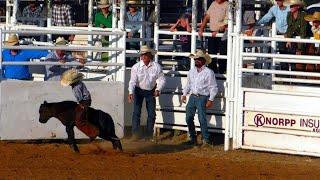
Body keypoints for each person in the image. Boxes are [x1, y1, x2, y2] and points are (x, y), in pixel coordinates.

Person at [181, 50, 218, 148]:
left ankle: (206, 139)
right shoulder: (191, 71)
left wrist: (211, 99)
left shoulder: (209, 73)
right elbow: (188, 84)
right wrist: (184, 94)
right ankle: (193, 138)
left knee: (201, 119)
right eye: (195, 59)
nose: (196, 61)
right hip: (193, 96)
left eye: (198, 59)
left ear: (203, 61)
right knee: (188, 118)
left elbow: (213, 87)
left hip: (202, 97)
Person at [128, 45, 166, 140]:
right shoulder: (136, 67)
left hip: (151, 91)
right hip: (139, 90)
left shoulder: (156, 67)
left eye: (145, 54)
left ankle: (148, 135)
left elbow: (162, 80)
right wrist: (131, 92)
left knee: (151, 113)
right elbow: (132, 81)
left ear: (150, 55)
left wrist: (158, 89)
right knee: (137, 112)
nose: (143, 56)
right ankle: (135, 134)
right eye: (142, 54)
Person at [60, 69, 100, 139]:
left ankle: (93, 133)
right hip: (86, 100)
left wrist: (81, 105)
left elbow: (80, 98)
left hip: (83, 101)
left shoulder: (76, 87)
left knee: (79, 121)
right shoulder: (80, 83)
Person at [198, 0, 228, 74]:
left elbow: (227, 22)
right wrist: (201, 29)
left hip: (223, 34)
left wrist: (218, 31)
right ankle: (212, 72)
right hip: (212, 33)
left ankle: (222, 72)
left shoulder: (227, 5)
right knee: (211, 53)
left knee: (223, 53)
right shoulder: (213, 3)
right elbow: (207, 17)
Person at [285, 0, 307, 71]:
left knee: (302, 62)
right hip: (294, 38)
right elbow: (289, 27)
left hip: (303, 39)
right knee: (291, 58)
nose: (290, 7)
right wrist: (288, 40)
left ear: (298, 7)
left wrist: (300, 48)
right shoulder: (289, 14)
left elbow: (303, 31)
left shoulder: (303, 15)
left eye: (292, 6)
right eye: (290, 6)